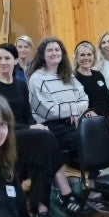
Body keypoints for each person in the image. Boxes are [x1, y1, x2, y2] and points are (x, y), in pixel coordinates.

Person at [0, 43, 84, 217]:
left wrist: (33, 125)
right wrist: (31, 126)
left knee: (42, 154)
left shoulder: (21, 84)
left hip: (24, 135)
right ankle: (65, 192)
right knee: (45, 137)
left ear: (14, 60)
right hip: (4, 135)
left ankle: (42, 210)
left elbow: (28, 114)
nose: (3, 62)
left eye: (7, 58)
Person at [27, 37, 90, 166]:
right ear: (43, 55)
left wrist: (74, 112)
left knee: (101, 136)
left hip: (74, 122)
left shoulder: (68, 75)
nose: (54, 53)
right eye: (49, 50)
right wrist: (73, 110)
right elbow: (49, 111)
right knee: (87, 142)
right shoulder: (37, 78)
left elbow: (84, 98)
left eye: (57, 49)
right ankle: (83, 178)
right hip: (51, 126)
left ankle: (94, 179)